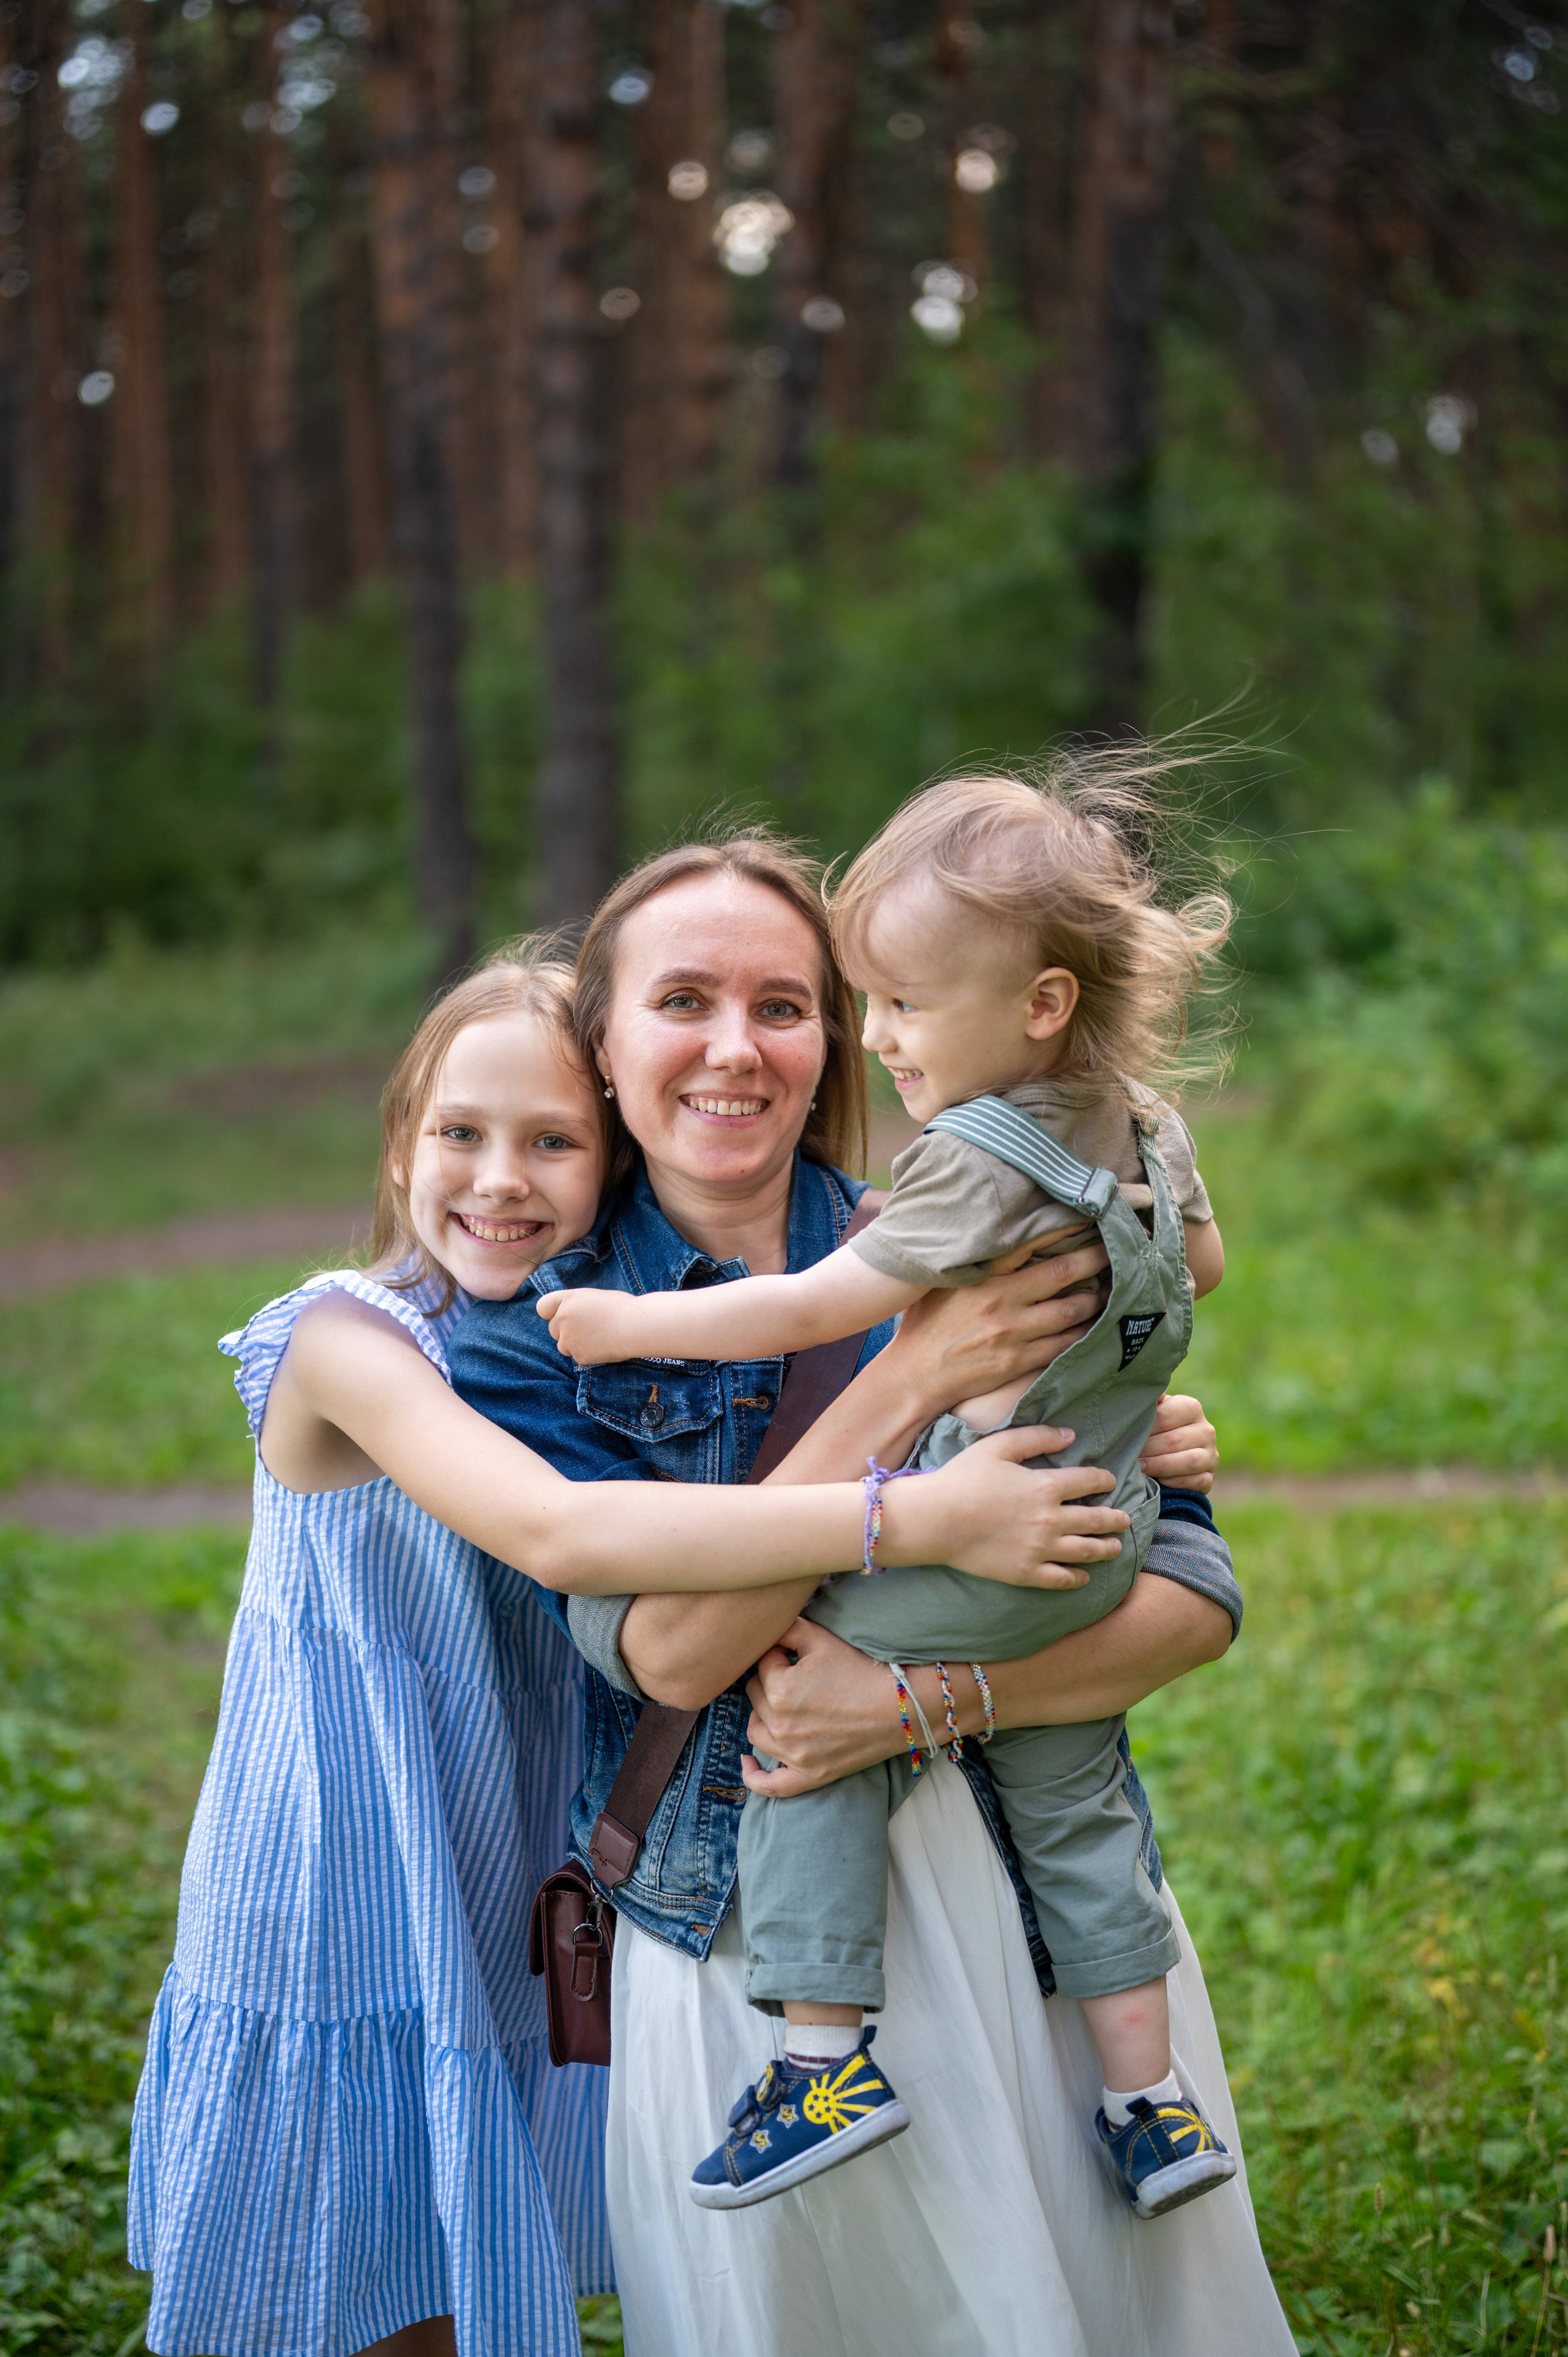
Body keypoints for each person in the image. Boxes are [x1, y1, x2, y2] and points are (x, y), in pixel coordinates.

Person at [127, 943, 1108, 2357]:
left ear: (618, 1162)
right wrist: (913, 1509)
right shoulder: (346, 1341)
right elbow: (567, 1536)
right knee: (347, 2261)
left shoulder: (586, 1342)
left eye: (551, 1142)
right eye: (458, 1134)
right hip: (346, 1848)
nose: (498, 1178)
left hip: (502, 1829)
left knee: (459, 2228)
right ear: (400, 1143)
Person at [448, 832, 1296, 2356]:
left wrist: (926, 1693)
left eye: (786, 1003)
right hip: (741, 1933)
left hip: (1033, 1918)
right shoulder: (541, 1334)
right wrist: (909, 1394)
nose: (734, 1045)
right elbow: (674, 1657)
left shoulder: (988, 1206)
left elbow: (1186, 1598)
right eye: (682, 999)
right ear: (603, 1041)